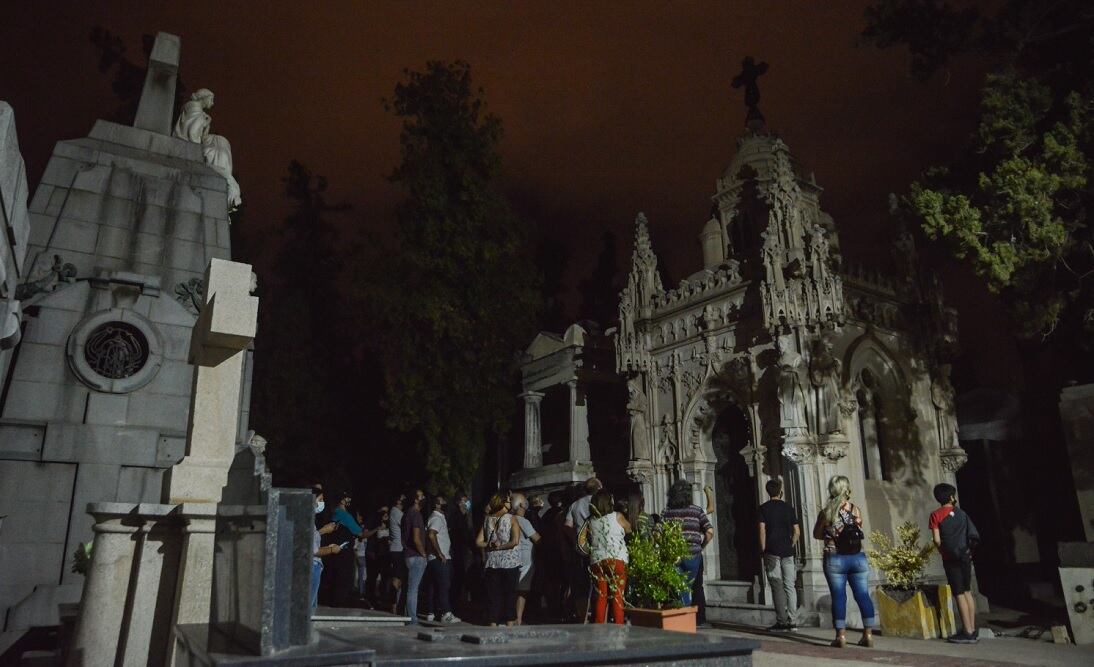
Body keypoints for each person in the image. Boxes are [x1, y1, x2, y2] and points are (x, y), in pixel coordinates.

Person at [812, 475, 876, 648]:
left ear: (831, 490)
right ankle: (868, 635)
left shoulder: (826, 512)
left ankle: (840, 636)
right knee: (863, 594)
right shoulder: (855, 510)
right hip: (858, 557)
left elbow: (817, 535)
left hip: (835, 557)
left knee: (839, 596)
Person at [930, 483, 981, 644]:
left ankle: (967, 632)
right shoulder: (962, 514)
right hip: (965, 556)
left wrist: (943, 550)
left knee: (958, 593)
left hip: (950, 558)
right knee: (967, 592)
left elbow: (937, 540)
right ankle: (972, 629)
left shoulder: (935, 515)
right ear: (951, 497)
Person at [661, 480, 714, 616]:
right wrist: (701, 546)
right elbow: (709, 532)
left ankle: (681, 617)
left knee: (679, 588)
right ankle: (687, 618)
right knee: (689, 587)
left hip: (674, 556)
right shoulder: (696, 510)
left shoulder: (667, 512)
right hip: (693, 555)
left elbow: (658, 533)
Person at [759, 478, 800, 631]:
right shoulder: (788, 508)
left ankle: (781, 621)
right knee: (790, 585)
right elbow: (797, 531)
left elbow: (762, 530)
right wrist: (791, 544)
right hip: (787, 552)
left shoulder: (763, 509)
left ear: (768, 492)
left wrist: (763, 549)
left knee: (777, 586)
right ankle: (793, 620)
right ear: (780, 491)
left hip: (772, 551)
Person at [476, 492, 522, 627]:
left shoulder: (487, 519)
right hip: (510, 562)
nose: (510, 503)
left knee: (493, 597)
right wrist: (501, 546)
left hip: (492, 563)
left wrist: (490, 545)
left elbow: (478, 542)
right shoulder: (512, 518)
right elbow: (515, 541)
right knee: (510, 595)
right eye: (508, 501)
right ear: (503, 503)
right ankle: (509, 627)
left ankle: (493, 626)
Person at [588, 489, 632, 624]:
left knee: (602, 595)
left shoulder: (591, 520)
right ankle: (618, 624)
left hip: (597, 560)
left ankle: (599, 625)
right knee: (618, 595)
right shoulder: (617, 516)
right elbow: (629, 529)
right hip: (616, 559)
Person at [564, 477, 602, 623]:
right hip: (599, 548)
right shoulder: (601, 501)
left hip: (580, 549)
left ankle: (583, 617)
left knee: (581, 585)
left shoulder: (575, 504)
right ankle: (598, 615)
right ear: (599, 487)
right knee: (599, 584)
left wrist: (576, 538)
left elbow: (567, 526)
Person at [424, 494, 461, 623]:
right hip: (440, 558)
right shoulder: (436, 518)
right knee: (444, 585)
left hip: (434, 558)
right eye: (443, 501)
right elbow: (431, 534)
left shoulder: (439, 518)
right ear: (437, 504)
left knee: (434, 586)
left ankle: (431, 612)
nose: (445, 503)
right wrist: (439, 553)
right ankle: (446, 613)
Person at [511, 493, 542, 624]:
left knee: (512, 588)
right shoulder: (523, 520)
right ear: (521, 505)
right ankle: (518, 619)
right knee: (522, 590)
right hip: (525, 558)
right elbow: (536, 538)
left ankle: (510, 617)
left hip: (511, 557)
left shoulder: (508, 518)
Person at [329, 491, 363, 607]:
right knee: (345, 578)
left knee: (337, 577)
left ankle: (335, 601)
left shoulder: (335, 512)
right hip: (344, 550)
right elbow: (359, 532)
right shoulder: (344, 514)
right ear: (342, 500)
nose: (349, 500)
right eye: (346, 498)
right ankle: (339, 603)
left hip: (335, 549)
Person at [310, 488, 341, 611]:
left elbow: (311, 540)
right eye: (320, 499)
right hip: (312, 566)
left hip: (314, 566)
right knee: (309, 608)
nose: (322, 503)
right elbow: (314, 551)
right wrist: (332, 550)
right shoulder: (307, 519)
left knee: (312, 606)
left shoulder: (309, 520)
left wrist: (323, 530)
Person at [401, 490, 429, 624]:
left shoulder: (407, 514)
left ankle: (407, 617)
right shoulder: (416, 515)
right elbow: (416, 538)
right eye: (421, 496)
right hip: (416, 556)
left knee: (408, 588)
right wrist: (423, 554)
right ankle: (413, 620)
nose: (423, 497)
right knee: (413, 590)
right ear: (416, 500)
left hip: (407, 555)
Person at [448, 493, 474, 618]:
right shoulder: (456, 516)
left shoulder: (464, 516)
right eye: (465, 501)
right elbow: (459, 535)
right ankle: (453, 607)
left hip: (462, 551)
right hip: (457, 552)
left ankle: (456, 606)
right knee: (456, 581)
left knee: (460, 580)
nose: (467, 503)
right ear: (459, 503)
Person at [388, 493, 406, 613]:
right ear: (398, 501)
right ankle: (394, 606)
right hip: (398, 549)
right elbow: (406, 525)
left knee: (399, 578)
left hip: (397, 548)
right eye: (403, 499)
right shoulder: (396, 512)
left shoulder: (394, 512)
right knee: (396, 579)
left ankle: (396, 605)